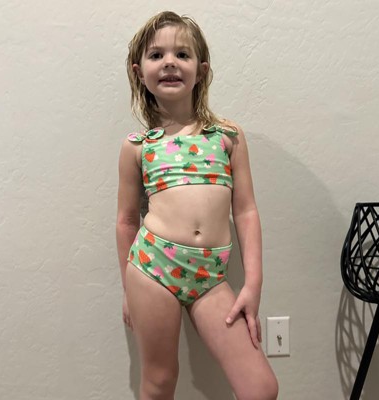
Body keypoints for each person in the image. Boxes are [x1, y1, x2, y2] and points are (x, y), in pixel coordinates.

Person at [116, 10, 278, 400]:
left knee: (261, 388)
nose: (170, 62)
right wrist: (127, 289)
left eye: (182, 54)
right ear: (139, 72)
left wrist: (252, 284)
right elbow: (126, 221)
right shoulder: (138, 146)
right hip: (152, 269)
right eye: (157, 55)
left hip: (210, 277)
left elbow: (246, 211)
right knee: (159, 382)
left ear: (201, 70)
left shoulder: (227, 136)